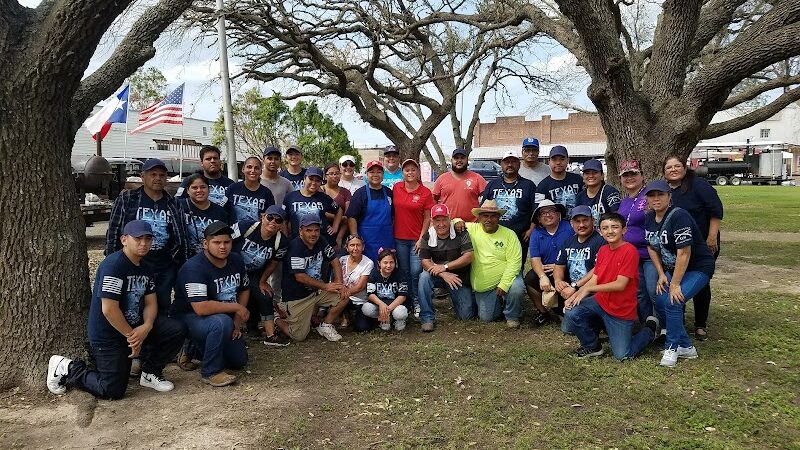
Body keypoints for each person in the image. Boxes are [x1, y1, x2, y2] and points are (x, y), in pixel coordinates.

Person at [47, 221, 185, 398]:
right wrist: (133, 338)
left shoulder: (146, 267)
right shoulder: (113, 266)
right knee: (111, 390)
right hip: (109, 335)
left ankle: (150, 372)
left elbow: (151, 302)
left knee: (175, 329)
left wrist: (147, 326)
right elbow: (109, 309)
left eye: (147, 238)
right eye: (138, 238)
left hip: (134, 328)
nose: (143, 243)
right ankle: (67, 367)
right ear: (124, 240)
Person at [562, 212, 660, 360]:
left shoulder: (630, 251)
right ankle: (592, 346)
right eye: (605, 228)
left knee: (623, 355)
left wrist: (588, 289)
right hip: (601, 301)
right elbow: (595, 278)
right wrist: (575, 295)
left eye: (615, 227)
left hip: (620, 309)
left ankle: (649, 330)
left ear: (624, 230)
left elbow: (621, 285)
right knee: (571, 312)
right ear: (600, 232)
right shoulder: (603, 250)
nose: (610, 231)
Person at [643, 181, 716, 368]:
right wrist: (661, 274)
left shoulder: (679, 216)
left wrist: (674, 284)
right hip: (673, 267)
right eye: (652, 195)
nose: (656, 198)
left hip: (698, 266)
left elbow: (684, 252)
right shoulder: (649, 217)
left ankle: (672, 347)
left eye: (660, 194)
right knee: (660, 300)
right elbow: (652, 247)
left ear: (670, 196)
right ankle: (686, 347)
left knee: (674, 299)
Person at [106, 158, 187, 316]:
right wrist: (111, 259)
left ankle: (159, 337)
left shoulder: (174, 203)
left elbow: (181, 235)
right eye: (153, 174)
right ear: (143, 177)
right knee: (132, 303)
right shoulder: (128, 199)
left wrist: (179, 261)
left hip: (164, 265)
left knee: (162, 303)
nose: (158, 178)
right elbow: (114, 229)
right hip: (135, 263)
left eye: (162, 175)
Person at [173, 221, 251, 387]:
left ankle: (193, 349)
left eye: (227, 242)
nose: (222, 247)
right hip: (191, 317)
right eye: (217, 242)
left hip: (224, 317)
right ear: (205, 244)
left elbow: (245, 289)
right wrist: (237, 307)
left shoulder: (236, 260)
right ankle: (211, 371)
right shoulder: (193, 268)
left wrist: (237, 322)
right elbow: (201, 308)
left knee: (239, 361)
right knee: (221, 322)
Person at [663, 156, 723, 341]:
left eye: (677, 166)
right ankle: (677, 320)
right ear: (664, 171)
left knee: (700, 283)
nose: (673, 170)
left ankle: (700, 324)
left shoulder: (699, 185)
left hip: (702, 244)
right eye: (669, 167)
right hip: (678, 247)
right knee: (678, 280)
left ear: (685, 167)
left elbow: (716, 210)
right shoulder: (665, 191)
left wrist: (712, 237)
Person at [276, 215, 349, 341]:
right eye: (309, 230)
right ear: (301, 231)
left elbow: (335, 260)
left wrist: (339, 283)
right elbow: (300, 277)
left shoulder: (321, 240)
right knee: (298, 336)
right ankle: (276, 317)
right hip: (297, 298)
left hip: (316, 291)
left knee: (344, 294)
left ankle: (326, 325)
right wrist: (326, 286)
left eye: (316, 230)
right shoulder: (295, 247)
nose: (313, 234)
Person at [454, 200, 525, 328]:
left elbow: (515, 262)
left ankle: (512, 316)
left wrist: (504, 284)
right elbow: (453, 222)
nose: (489, 219)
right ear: (479, 217)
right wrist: (457, 220)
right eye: (485, 216)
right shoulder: (471, 228)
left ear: (498, 217)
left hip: (506, 277)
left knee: (517, 287)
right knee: (487, 318)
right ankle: (500, 301)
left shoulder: (509, 234)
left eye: (493, 216)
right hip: (484, 285)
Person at [231, 205, 290, 347]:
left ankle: (270, 336)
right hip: (231, 269)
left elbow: (273, 263)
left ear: (282, 224)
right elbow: (225, 241)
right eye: (270, 217)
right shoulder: (246, 226)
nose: (273, 222)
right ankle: (233, 331)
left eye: (278, 220)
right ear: (262, 217)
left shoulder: (281, 242)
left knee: (266, 295)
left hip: (253, 273)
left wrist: (263, 281)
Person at [418, 204, 476, 331]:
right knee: (424, 277)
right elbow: (425, 262)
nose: (441, 224)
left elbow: (469, 256)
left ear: (449, 218)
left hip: (458, 278)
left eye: (444, 219)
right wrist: (443, 273)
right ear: (432, 221)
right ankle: (427, 318)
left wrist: (445, 267)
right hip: (440, 276)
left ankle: (466, 298)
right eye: (437, 220)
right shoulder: (427, 236)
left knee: (466, 316)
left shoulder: (461, 232)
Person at [392, 158, 435, 316]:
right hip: (399, 238)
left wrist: (421, 238)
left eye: (413, 169)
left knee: (416, 272)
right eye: (407, 170)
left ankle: (418, 302)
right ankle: (407, 301)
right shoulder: (396, 188)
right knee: (404, 272)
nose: (410, 172)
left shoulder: (425, 192)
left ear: (418, 172)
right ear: (402, 172)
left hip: (416, 240)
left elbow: (427, 217)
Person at [617, 159, 656, 322]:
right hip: (631, 255)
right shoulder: (624, 200)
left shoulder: (650, 196)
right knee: (639, 292)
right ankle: (648, 323)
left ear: (642, 175)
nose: (629, 178)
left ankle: (665, 325)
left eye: (633, 174)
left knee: (653, 289)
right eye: (625, 175)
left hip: (649, 253)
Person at [482, 149, 537, 263]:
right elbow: (482, 209)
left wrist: (531, 229)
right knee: (495, 264)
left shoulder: (529, 185)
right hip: (495, 234)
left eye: (513, 162)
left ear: (519, 164)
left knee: (516, 268)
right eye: (507, 162)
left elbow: (536, 210)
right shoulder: (492, 184)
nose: (510, 165)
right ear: (501, 164)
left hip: (520, 236)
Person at [524, 200, 574, 326]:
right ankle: (543, 312)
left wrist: (560, 266)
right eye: (543, 213)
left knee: (567, 318)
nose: (547, 215)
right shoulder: (536, 233)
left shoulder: (569, 228)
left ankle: (562, 311)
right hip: (546, 270)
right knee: (530, 278)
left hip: (567, 270)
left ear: (558, 214)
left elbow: (577, 250)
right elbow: (535, 258)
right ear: (539, 219)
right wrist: (542, 277)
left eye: (551, 211)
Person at [552, 206, 606, 317]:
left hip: (593, 289)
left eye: (585, 220)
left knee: (572, 317)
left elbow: (598, 269)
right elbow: (559, 265)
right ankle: (562, 314)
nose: (581, 225)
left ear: (593, 220)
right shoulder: (568, 242)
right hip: (572, 285)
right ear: (572, 223)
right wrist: (558, 281)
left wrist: (575, 286)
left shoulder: (601, 241)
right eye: (577, 221)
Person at [346, 160, 394, 261]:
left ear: (383, 174)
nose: (375, 175)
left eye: (379, 172)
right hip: (367, 241)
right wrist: (355, 239)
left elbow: (393, 215)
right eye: (372, 172)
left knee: (386, 268)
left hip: (387, 239)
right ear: (367, 174)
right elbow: (352, 217)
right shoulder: (360, 193)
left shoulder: (389, 192)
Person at [283, 166, 342, 242]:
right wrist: (286, 238)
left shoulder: (324, 197)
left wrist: (335, 227)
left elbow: (338, 210)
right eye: (311, 179)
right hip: (298, 241)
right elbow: (284, 221)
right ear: (304, 178)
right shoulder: (290, 197)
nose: (313, 183)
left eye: (317, 180)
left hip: (321, 241)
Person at [180, 173, 230, 257]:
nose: (199, 190)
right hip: (184, 258)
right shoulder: (179, 207)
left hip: (211, 259)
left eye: (203, 187)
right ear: (188, 190)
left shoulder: (220, 212)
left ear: (209, 189)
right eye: (194, 188)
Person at [432, 148, 487, 222]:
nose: (459, 160)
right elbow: (433, 199)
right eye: (456, 158)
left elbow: (486, 199)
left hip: (471, 225)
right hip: (447, 225)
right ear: (452, 161)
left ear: (467, 160)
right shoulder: (442, 178)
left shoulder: (477, 178)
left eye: (462, 158)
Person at [363, 248, 409, 330]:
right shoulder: (374, 273)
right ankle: (384, 319)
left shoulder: (400, 273)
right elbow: (370, 294)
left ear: (395, 263)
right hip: (380, 305)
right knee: (366, 308)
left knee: (400, 313)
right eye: (385, 262)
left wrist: (387, 310)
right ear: (379, 263)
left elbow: (402, 296)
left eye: (391, 262)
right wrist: (381, 304)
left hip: (396, 305)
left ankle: (397, 319)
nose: (388, 265)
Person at [339, 234, 374, 331]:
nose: (355, 248)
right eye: (352, 245)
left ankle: (355, 315)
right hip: (343, 297)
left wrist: (343, 294)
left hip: (360, 300)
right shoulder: (341, 260)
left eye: (358, 245)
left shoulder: (368, 263)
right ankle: (345, 316)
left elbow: (360, 287)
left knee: (362, 328)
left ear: (363, 247)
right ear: (347, 247)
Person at [225, 156, 276, 223]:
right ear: (243, 169)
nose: (253, 171)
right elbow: (224, 213)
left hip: (257, 232)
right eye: (249, 167)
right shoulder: (232, 188)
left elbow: (270, 219)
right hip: (233, 232)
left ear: (261, 171)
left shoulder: (267, 193)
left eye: (256, 168)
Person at [535, 145, 584, 210]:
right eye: (554, 159)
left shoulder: (578, 179)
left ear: (568, 160)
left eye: (562, 159)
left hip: (577, 219)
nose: (558, 162)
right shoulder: (542, 186)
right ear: (549, 161)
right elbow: (538, 210)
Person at [576, 158, 621, 226]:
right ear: (583, 177)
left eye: (595, 172)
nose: (591, 176)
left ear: (602, 176)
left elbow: (617, 217)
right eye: (587, 173)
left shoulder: (610, 192)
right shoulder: (580, 196)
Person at [321, 162, 352, 248]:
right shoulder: (319, 190)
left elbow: (347, 217)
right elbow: (320, 212)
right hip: (321, 233)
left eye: (337, 173)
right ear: (325, 176)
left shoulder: (345, 192)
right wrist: (338, 218)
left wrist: (339, 237)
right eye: (331, 174)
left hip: (341, 233)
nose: (335, 176)